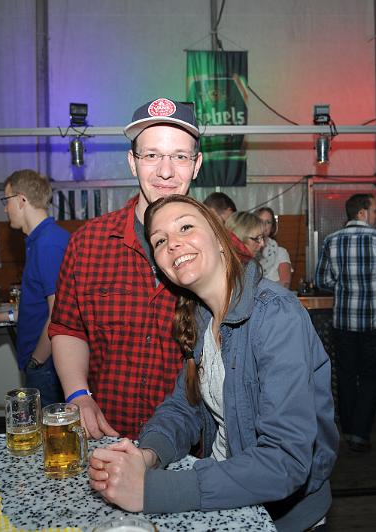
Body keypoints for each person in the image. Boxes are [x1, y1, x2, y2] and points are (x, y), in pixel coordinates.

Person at [87, 195, 338, 531]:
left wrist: (151, 490)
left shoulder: (275, 314)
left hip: (280, 519)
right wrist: (149, 455)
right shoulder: (202, 318)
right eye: (159, 241)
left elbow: (285, 461)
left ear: (220, 239)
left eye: (185, 228)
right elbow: (184, 408)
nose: (172, 243)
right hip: (226, 502)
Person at [49, 98, 202, 440]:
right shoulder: (89, 243)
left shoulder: (223, 250)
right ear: (133, 162)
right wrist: (77, 394)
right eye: (152, 155)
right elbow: (68, 328)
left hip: (191, 445)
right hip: (107, 435)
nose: (166, 171)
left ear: (197, 165)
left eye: (180, 156)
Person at [315, 194, 376, 452]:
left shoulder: (331, 240)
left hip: (343, 322)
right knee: (370, 377)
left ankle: (347, 430)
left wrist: (345, 285)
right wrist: (374, 284)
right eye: (375, 210)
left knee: (345, 375)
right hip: (375, 321)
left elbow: (322, 281)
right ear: (362, 213)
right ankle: (360, 434)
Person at [0, 170, 69, 406]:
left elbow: (58, 313)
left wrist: (37, 360)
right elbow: (38, 307)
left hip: (47, 364)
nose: (5, 209)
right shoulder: (40, 240)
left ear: (21, 200)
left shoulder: (48, 244)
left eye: (6, 200)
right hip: (44, 362)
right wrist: (1, 316)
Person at [203, 191, 252, 263]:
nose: (234, 220)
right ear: (229, 210)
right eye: (233, 215)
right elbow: (247, 259)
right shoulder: (227, 235)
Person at [256, 206, 292, 288]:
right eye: (260, 221)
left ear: (272, 227)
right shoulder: (248, 251)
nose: (264, 225)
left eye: (268, 222)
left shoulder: (281, 252)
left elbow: (285, 284)